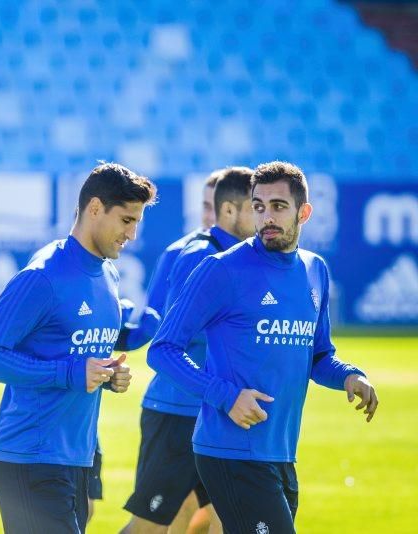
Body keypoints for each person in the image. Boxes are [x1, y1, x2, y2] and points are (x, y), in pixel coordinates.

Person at [149, 161, 378, 533]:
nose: (266, 217)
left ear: (304, 212)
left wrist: (350, 376)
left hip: (281, 451)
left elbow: (319, 355)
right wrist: (225, 396)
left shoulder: (314, 269)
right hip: (230, 450)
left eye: (278, 206)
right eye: (259, 206)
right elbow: (162, 350)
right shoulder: (220, 269)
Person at [0, 163, 156, 533]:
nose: (132, 234)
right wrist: (70, 373)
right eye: (126, 220)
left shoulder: (108, 273)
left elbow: (74, 354)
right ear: (96, 208)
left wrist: (107, 375)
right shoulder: (42, 277)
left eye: (137, 222)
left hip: (76, 457)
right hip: (28, 458)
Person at [122, 166, 257, 534]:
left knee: (228, 520)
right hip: (179, 411)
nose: (264, 216)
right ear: (229, 209)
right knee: (154, 525)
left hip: (222, 412)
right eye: (256, 206)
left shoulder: (249, 258)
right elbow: (171, 334)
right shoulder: (197, 255)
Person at [116, 171, 219, 351]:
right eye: (206, 207)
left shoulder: (262, 256)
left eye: (218, 208)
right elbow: (155, 324)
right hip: (191, 374)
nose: (210, 216)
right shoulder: (177, 253)